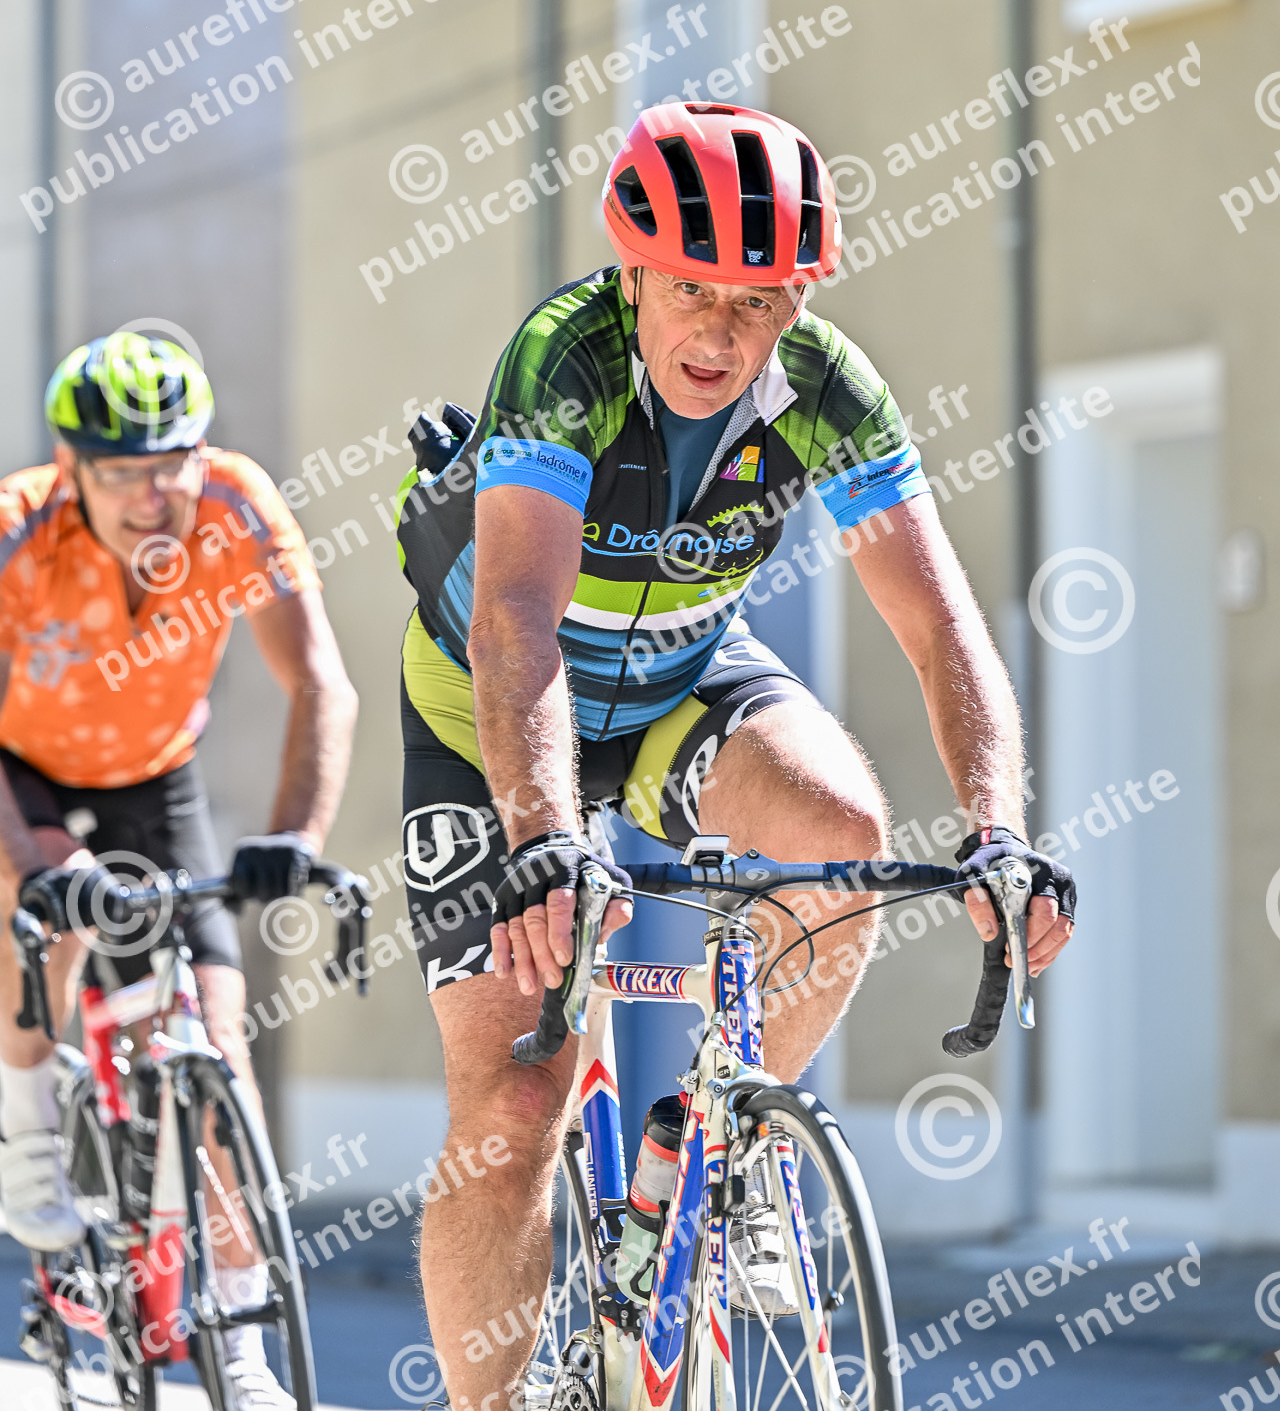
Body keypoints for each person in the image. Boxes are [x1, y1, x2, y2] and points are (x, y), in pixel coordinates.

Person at [395, 102, 1075, 1411]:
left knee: (839, 831)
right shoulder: (565, 355)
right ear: (633, 275)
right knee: (512, 1106)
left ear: (796, 301)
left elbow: (938, 625)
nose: (717, 333)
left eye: (756, 302)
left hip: (674, 686)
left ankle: (728, 1150)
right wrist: (542, 844)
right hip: (493, 709)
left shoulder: (825, 388)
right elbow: (517, 619)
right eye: (690, 291)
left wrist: (997, 832)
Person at [0, 330, 358, 1409]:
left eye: (172, 465)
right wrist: (31, 866)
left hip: (156, 776)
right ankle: (26, 1129)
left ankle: (240, 1347)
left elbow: (320, 685)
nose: (152, 497)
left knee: (218, 1043)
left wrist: (294, 839)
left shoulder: (235, 504)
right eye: (122, 473)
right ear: (73, 467)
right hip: (22, 769)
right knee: (54, 907)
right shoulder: (19, 527)